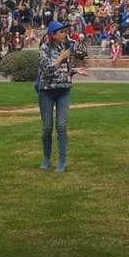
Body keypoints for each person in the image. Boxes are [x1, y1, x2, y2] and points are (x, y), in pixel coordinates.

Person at [36, 21, 85, 173]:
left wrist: (75, 71)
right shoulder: (44, 49)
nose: (65, 34)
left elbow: (65, 70)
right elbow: (46, 71)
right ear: (53, 34)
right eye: (61, 32)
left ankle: (62, 161)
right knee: (47, 128)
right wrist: (59, 59)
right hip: (47, 91)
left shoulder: (66, 48)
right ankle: (46, 158)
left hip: (64, 90)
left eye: (65, 31)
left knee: (62, 127)